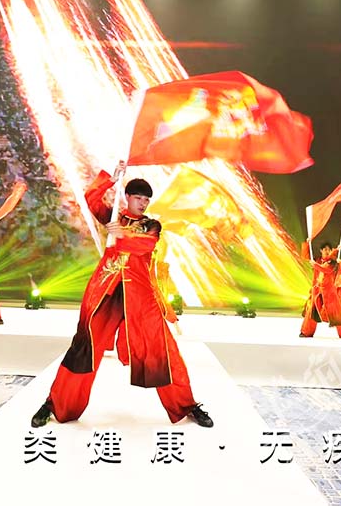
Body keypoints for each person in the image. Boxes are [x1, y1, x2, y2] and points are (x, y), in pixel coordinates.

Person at [31, 162, 213, 428]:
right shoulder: (114, 215)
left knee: (163, 352)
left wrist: (121, 234)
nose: (143, 203)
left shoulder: (151, 225)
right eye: (138, 198)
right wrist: (112, 179)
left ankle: (187, 405)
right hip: (106, 293)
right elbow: (91, 199)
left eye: (146, 200)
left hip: (141, 296)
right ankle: (54, 404)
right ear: (127, 197)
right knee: (83, 349)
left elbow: (145, 245)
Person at [299, 242, 341, 339]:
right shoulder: (317, 260)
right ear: (321, 251)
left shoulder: (333, 263)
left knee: (340, 313)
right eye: (325, 249)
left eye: (329, 250)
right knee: (312, 312)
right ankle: (306, 332)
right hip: (317, 292)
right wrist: (307, 243)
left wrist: (315, 265)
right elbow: (305, 256)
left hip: (329, 292)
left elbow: (327, 270)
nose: (327, 251)